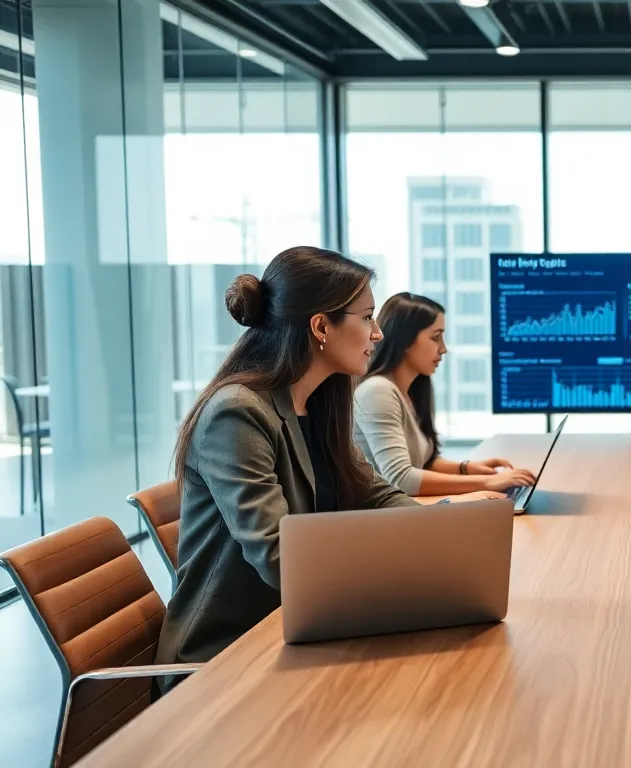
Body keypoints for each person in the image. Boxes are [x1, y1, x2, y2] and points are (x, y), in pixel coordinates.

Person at [157, 247, 501, 669]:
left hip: (300, 627)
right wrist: (399, 563)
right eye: (368, 317)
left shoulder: (319, 402)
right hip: (227, 652)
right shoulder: (236, 413)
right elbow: (279, 557)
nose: (378, 334)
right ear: (321, 326)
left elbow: (373, 495)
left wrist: (444, 530)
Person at [356, 292, 536, 496]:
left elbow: (422, 462)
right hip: (381, 511)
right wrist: (489, 482)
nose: (443, 349)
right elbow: (402, 479)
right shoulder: (377, 391)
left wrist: (466, 468)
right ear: (404, 340)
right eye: (436, 337)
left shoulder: (411, 391)